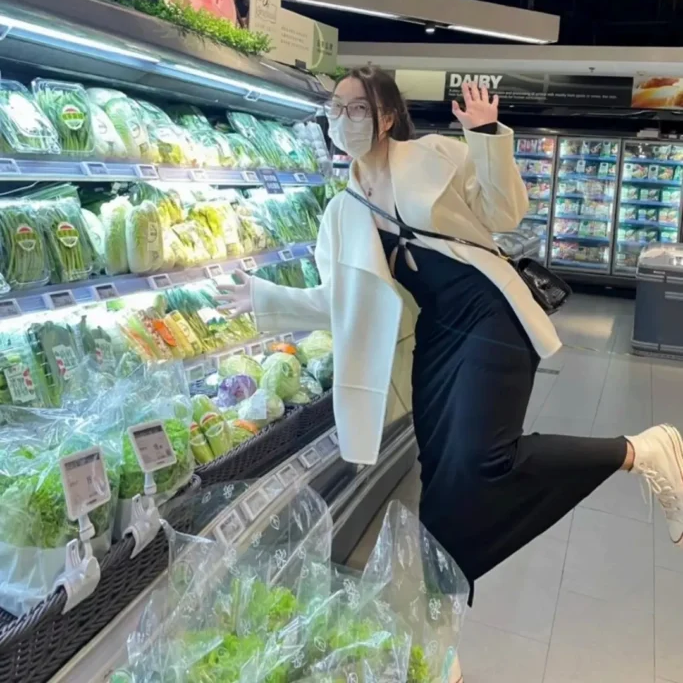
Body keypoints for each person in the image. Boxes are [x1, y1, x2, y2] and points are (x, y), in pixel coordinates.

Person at [223, 66, 683, 683]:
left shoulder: (435, 154)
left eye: (356, 109)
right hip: (437, 338)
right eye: (335, 108)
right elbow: (339, 301)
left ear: (386, 116)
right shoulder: (341, 211)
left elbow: (505, 210)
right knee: (441, 491)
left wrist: (487, 136)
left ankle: (640, 451)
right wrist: (261, 297)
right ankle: (439, 634)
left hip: (490, 316)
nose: (342, 120)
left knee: (485, 462)